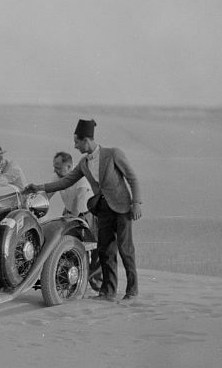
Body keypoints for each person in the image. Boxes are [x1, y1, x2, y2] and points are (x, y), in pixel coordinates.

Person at [25, 119, 142, 301]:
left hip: (122, 208)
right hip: (102, 210)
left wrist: (137, 203)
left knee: (125, 249)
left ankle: (132, 291)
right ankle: (109, 292)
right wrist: (38, 188)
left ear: (86, 140)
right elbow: (65, 181)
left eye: (76, 142)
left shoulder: (113, 154)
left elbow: (132, 178)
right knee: (105, 250)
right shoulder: (84, 163)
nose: (75, 146)